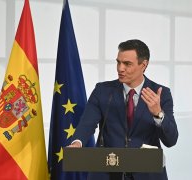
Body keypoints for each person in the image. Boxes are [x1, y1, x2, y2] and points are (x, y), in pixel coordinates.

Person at [69, 39, 178, 180]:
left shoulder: (160, 93)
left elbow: (171, 140)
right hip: (107, 172)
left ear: (143, 65)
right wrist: (77, 142)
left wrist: (158, 114)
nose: (120, 68)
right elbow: (87, 124)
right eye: (118, 62)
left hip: (147, 174)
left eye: (127, 64)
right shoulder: (102, 91)